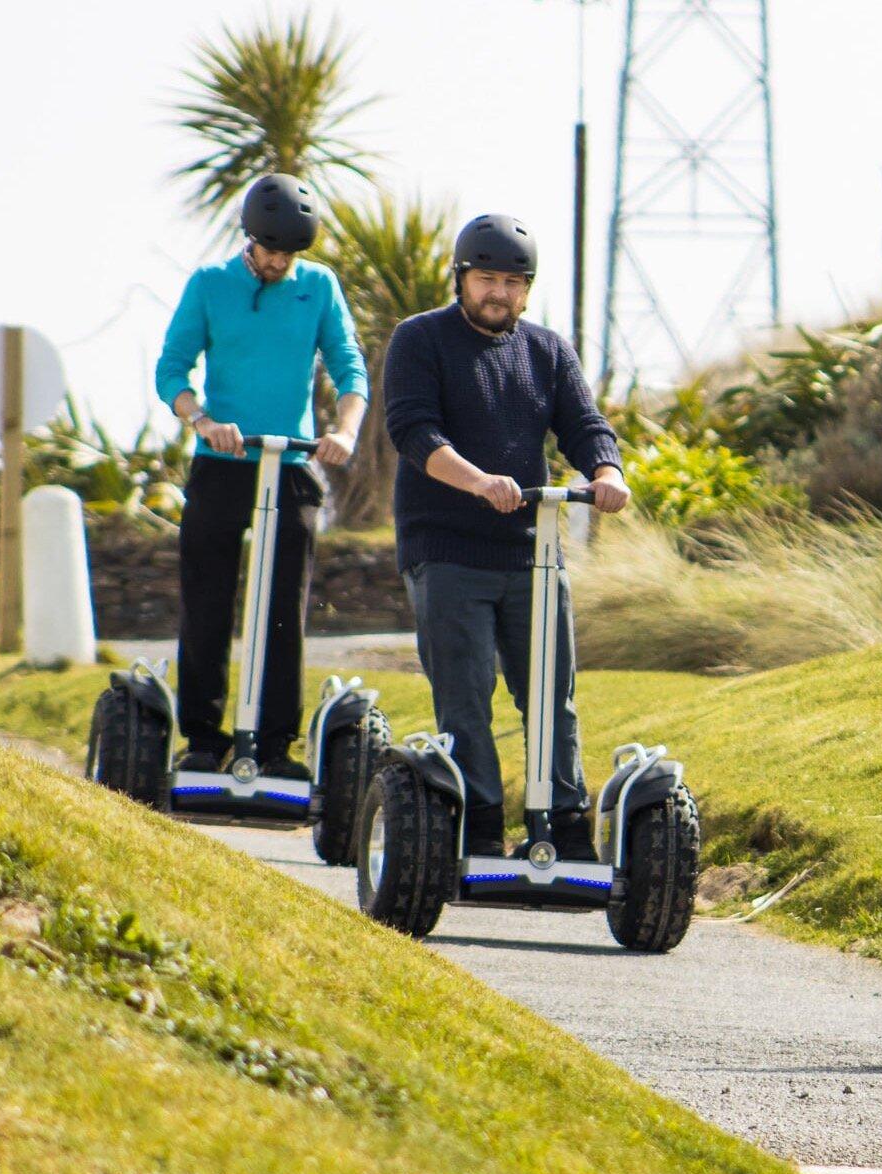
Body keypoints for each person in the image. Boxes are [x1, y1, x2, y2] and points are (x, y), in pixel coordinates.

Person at [380, 213, 631, 859]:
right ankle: (481, 827)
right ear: (462, 278)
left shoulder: (547, 350)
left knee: (553, 696)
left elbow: (584, 423)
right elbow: (414, 432)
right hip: (446, 549)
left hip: (533, 552)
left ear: (527, 288)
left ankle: (564, 826)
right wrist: (476, 480)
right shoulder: (420, 339)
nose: (500, 293)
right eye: (487, 278)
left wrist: (606, 471)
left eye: (513, 282)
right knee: (465, 697)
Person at [154, 172, 369, 778]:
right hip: (223, 462)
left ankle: (276, 748)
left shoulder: (318, 287)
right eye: (270, 249)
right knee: (208, 601)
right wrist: (201, 419)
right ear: (250, 238)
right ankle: (202, 739)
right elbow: (172, 369)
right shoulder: (210, 285)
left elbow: (351, 369)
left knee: (283, 606)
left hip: (293, 462)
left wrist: (345, 432)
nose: (278, 262)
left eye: (289, 253)